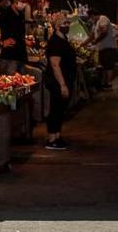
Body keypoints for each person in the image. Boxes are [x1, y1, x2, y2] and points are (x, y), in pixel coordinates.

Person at [44, 11, 76, 150]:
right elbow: (55, 64)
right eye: (64, 23)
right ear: (57, 26)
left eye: (68, 23)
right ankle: (52, 138)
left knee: (60, 108)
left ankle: (57, 135)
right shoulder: (55, 42)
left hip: (65, 80)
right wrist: (62, 84)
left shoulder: (63, 39)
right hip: (58, 81)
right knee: (56, 109)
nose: (67, 25)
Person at [0, 0, 31, 74]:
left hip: (21, 57)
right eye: (22, 1)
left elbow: (17, 34)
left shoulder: (20, 14)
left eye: (26, 2)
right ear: (15, 1)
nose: (24, 4)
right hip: (10, 58)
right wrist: (1, 43)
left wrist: (25, 41)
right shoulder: (6, 14)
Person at [84, 9, 118, 90]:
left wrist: (95, 41)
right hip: (102, 48)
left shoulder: (103, 19)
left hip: (109, 47)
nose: (90, 19)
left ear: (92, 15)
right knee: (104, 66)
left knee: (109, 66)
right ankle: (104, 83)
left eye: (90, 17)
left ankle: (108, 84)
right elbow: (92, 35)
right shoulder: (95, 23)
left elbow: (104, 32)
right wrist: (83, 44)